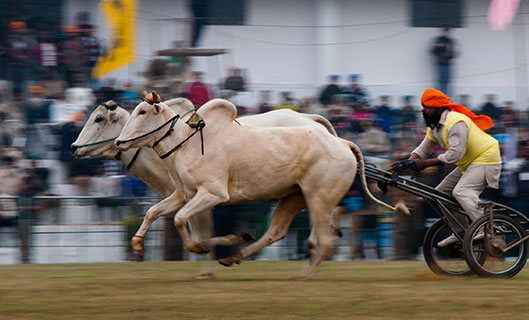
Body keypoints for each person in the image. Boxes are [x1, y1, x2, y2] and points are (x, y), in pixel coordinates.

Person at [391, 88, 501, 247]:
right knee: (440, 194)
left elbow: (455, 155)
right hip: (469, 163)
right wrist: (408, 162)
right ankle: (460, 232)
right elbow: (424, 149)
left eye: (427, 107)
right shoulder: (434, 127)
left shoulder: (456, 122)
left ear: (438, 108)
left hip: (486, 158)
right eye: (423, 107)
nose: (424, 111)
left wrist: (425, 163)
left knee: (461, 192)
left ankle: (486, 230)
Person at [430, 27, 457, 95]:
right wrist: (441, 52)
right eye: (445, 31)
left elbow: (454, 53)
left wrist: (450, 54)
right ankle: (438, 95)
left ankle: (445, 96)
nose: (446, 32)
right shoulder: (438, 40)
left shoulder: (450, 41)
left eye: (447, 31)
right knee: (440, 81)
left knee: (447, 81)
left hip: (447, 64)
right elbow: (433, 51)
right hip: (440, 63)